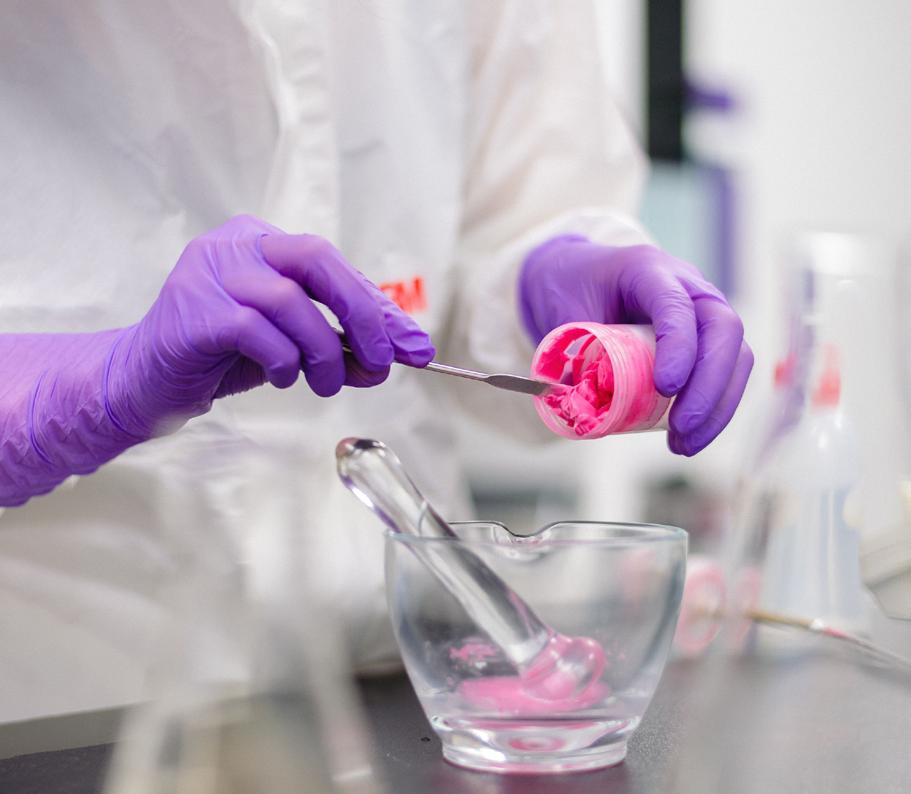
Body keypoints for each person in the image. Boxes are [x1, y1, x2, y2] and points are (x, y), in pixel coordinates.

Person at [0, 1, 750, 714]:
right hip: (73, 700)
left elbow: (520, 192)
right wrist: (64, 393)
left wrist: (542, 272)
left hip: (406, 671)